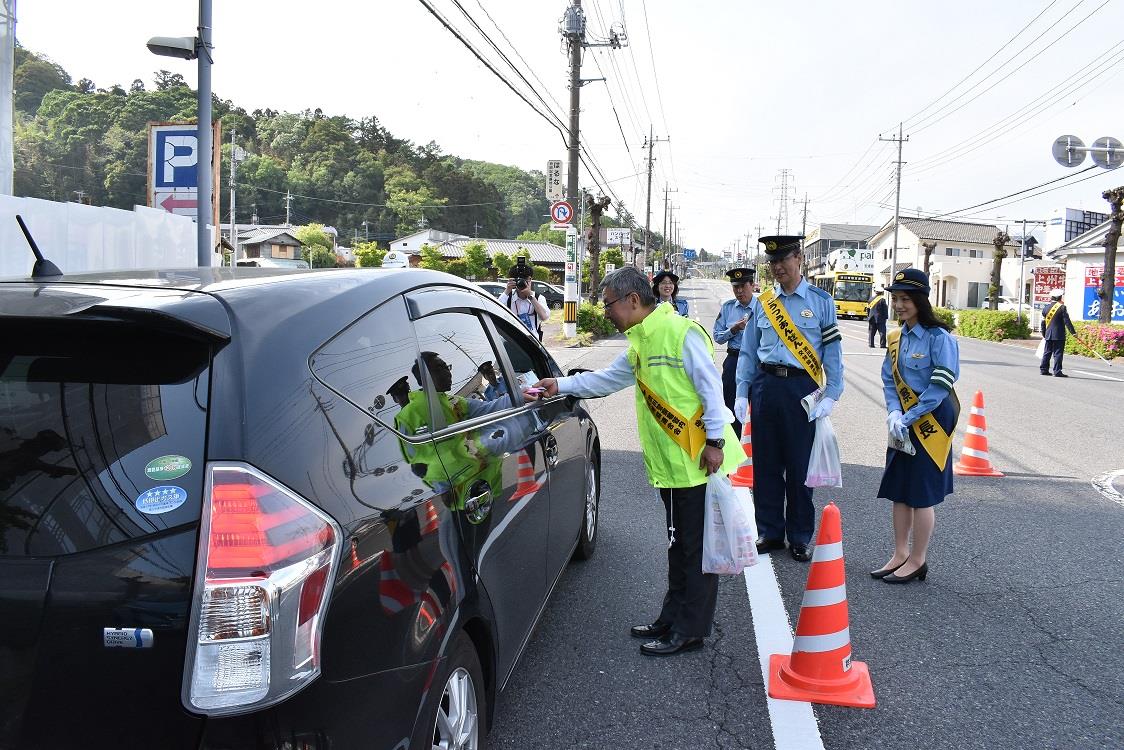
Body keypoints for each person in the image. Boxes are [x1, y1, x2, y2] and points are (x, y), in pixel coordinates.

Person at [528, 266, 743, 656]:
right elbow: (608, 379)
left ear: (632, 300)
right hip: (673, 464)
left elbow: (712, 392)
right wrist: (561, 385)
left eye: (608, 303)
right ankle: (672, 617)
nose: (606, 311)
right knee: (678, 545)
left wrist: (714, 442)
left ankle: (690, 629)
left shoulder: (680, 332)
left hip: (695, 461)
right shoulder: (641, 340)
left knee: (692, 549)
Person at [733, 236, 843, 562]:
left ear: (799, 258)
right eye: (772, 262)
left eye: (783, 259)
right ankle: (769, 531)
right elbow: (749, 353)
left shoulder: (822, 302)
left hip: (802, 389)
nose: (777, 267)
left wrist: (832, 394)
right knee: (766, 465)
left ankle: (798, 536)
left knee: (799, 467)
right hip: (766, 386)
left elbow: (833, 356)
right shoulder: (763, 302)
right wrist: (742, 391)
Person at [872, 268, 960, 584]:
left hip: (930, 421)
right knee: (899, 489)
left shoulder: (940, 338)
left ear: (921, 301)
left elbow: (940, 387)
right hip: (903, 422)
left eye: (905, 299)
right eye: (895, 299)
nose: (899, 305)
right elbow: (888, 379)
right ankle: (899, 554)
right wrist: (894, 413)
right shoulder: (896, 338)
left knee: (921, 493)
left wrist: (908, 417)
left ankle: (918, 559)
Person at [712, 267, 757, 436]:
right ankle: (733, 446)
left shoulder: (762, 307)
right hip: (734, 360)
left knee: (756, 406)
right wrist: (734, 329)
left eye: (743, 286)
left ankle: (754, 447)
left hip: (757, 363)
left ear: (752, 285)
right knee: (731, 405)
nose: (739, 291)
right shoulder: (728, 308)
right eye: (735, 287)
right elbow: (717, 337)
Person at [499, 276, 550, 340]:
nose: (523, 283)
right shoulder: (508, 297)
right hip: (512, 340)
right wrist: (507, 291)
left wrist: (530, 296)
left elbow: (544, 317)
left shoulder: (538, 297)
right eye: (520, 280)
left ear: (531, 280)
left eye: (526, 280)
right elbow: (495, 310)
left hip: (532, 340)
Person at [1040, 288, 1076, 377]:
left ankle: (1044, 370)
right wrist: (1073, 332)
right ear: (1060, 298)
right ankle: (1057, 371)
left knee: (1047, 352)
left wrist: (1044, 334)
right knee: (1058, 353)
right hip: (1059, 335)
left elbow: (1043, 323)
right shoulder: (1062, 308)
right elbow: (1067, 321)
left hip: (1048, 334)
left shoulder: (1045, 308)